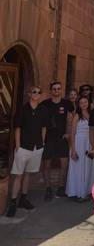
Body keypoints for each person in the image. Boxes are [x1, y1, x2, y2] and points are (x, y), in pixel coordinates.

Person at [6, 87, 48, 217]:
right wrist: (18, 146)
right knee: (18, 175)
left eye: (39, 92)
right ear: (29, 94)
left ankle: (23, 199)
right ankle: (13, 203)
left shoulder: (42, 110)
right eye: (34, 91)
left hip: (37, 147)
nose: (36, 94)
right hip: (23, 147)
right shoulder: (23, 110)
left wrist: (42, 143)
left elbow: (44, 127)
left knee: (28, 174)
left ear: (41, 95)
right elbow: (17, 128)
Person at [42, 81, 74, 200]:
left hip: (62, 138)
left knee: (64, 165)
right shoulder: (45, 104)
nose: (56, 91)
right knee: (46, 165)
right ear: (51, 91)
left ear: (61, 90)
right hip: (49, 138)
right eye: (54, 89)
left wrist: (68, 133)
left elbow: (72, 118)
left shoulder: (67, 103)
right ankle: (48, 188)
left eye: (58, 89)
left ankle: (61, 187)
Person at [66, 96, 94, 201]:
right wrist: (73, 150)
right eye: (81, 102)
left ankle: (87, 191)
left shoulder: (92, 115)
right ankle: (77, 192)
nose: (84, 104)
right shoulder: (77, 116)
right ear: (78, 104)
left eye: (85, 102)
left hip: (88, 143)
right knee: (78, 167)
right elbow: (73, 133)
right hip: (78, 144)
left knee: (88, 167)